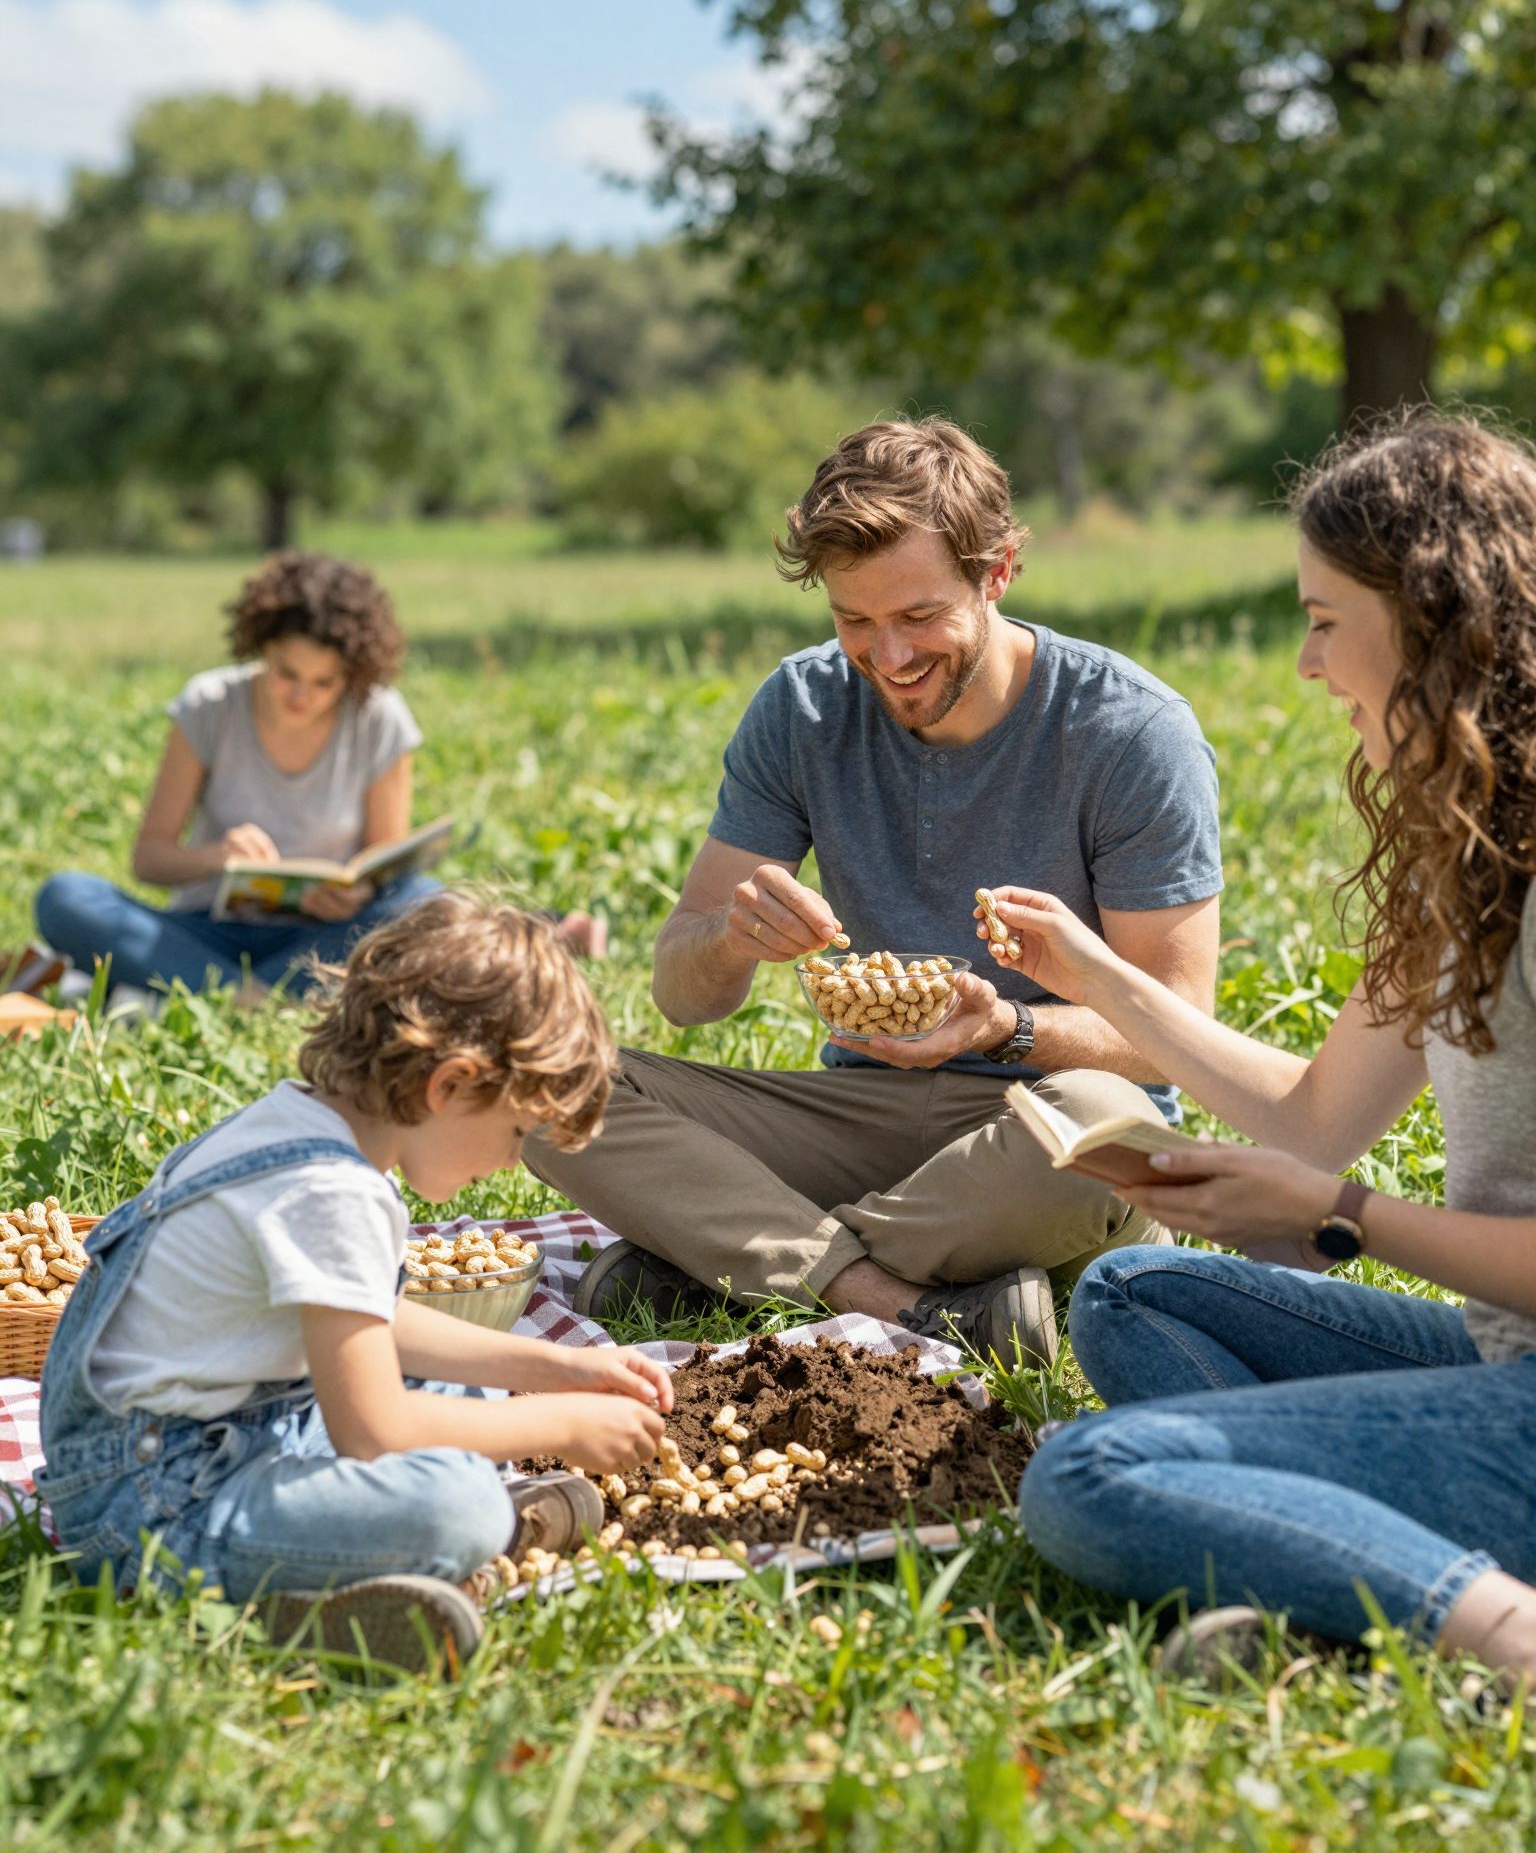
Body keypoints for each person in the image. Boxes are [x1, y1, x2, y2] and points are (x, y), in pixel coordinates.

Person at [1003, 413, 1536, 1688]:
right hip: (1500, 1359)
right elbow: (1309, 1120)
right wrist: (1100, 977)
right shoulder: (1458, 862)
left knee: (1090, 1472)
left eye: (1321, 615)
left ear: (1431, 619)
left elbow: (1327, 1177)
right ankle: (1343, 1544)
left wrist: (1341, 1214)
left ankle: (1504, 1633)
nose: (1305, 661)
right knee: (1140, 1290)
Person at [528, 417, 1224, 1365]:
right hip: (864, 1115)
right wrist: (732, 940)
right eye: (855, 620)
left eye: (919, 617)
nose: (888, 658)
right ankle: (889, 1297)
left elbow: (1178, 1042)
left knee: (1111, 1139)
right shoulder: (803, 705)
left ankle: (729, 1260)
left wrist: (1004, 1030)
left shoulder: (1130, 732)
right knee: (543, 1083)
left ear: (1000, 572)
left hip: (1043, 1111)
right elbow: (682, 997)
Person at [38, 892, 673, 1672]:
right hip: (150, 1509)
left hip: (218, 1439)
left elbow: (378, 1323)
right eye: (515, 1132)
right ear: (449, 1084)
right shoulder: (331, 1191)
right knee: (459, 1503)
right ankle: (306, 1609)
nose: (512, 1161)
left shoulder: (303, 1126)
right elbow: (372, 1432)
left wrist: (558, 1369)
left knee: (464, 1400)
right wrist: (563, 1427)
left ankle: (374, 1560)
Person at [27, 550, 609, 1006]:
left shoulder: (378, 715)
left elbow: (388, 865)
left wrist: (357, 892)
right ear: (261, 648)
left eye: (324, 682)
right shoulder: (209, 705)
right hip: (207, 929)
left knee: (422, 904)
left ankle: (212, 997)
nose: (302, 695)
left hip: (323, 939)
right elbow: (149, 859)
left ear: (351, 675)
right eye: (286, 674)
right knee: (66, 898)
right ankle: (258, 999)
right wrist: (216, 859)